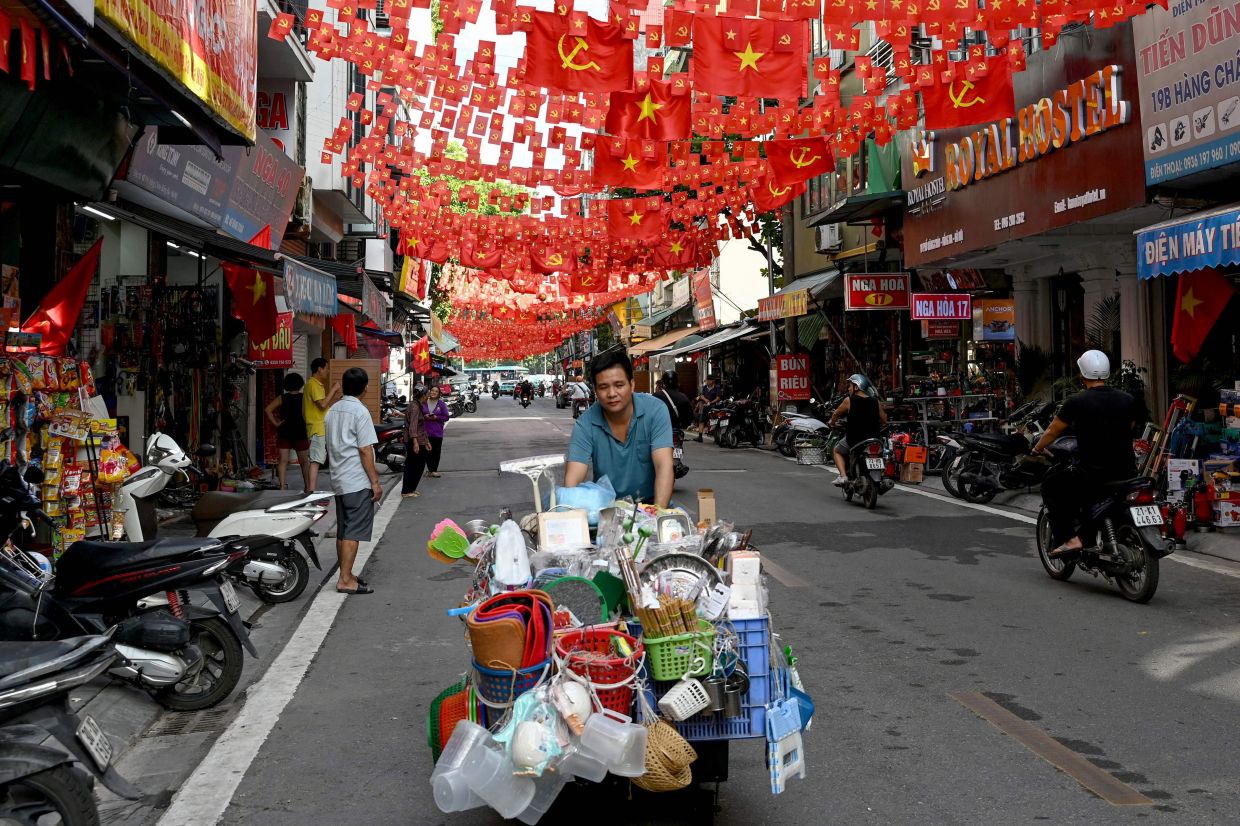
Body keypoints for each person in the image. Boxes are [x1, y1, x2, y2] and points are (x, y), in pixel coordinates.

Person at [1033, 350, 1141, 558]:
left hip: (1092, 473)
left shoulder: (1077, 402)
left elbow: (1053, 431)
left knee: (1051, 486)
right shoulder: (1127, 399)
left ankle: (1071, 539)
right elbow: (1130, 426)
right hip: (1127, 470)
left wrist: (1037, 448)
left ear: (1082, 375)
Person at [564, 351, 674, 507]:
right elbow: (572, 480)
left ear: (632, 384)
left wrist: (656, 516)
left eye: (619, 385)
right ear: (595, 390)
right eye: (603, 387)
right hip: (607, 510)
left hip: (652, 505)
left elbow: (664, 466)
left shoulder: (655, 410)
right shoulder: (585, 424)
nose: (612, 394)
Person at [324, 367, 381, 595]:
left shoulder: (332, 411)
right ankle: (345, 579)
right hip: (356, 479)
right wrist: (375, 482)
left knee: (344, 530)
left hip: (338, 478)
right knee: (353, 532)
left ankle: (346, 574)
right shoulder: (360, 412)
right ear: (365, 388)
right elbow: (365, 449)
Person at [829, 373, 887, 487]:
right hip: (874, 439)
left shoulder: (849, 400)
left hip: (855, 440)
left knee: (836, 451)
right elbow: (884, 420)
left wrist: (832, 422)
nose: (849, 388)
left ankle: (843, 476)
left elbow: (836, 413)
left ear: (857, 386)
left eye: (850, 386)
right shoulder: (875, 401)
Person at [264, 372, 310, 491]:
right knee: (304, 462)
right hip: (301, 431)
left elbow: (268, 409)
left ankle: (282, 487)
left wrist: (276, 423)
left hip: (285, 431)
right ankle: (307, 487)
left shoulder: (282, 398)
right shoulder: (304, 397)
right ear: (300, 384)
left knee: (283, 461)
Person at [303, 358, 342, 493]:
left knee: (316, 460)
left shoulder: (314, 384)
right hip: (317, 428)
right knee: (315, 462)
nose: (328, 371)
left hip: (317, 427)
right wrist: (334, 390)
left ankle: (310, 491)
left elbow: (324, 406)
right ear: (319, 369)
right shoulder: (314, 384)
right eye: (326, 368)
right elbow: (323, 404)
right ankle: (311, 493)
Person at [401, 385, 433, 498]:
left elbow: (421, 427)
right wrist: (415, 443)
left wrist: (427, 441)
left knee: (418, 465)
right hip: (414, 441)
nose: (428, 397)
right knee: (413, 465)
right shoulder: (414, 407)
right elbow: (413, 427)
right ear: (423, 395)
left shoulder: (418, 406)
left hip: (420, 439)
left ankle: (411, 489)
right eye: (427, 395)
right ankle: (406, 490)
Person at [423, 384, 450, 478]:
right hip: (425, 432)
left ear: (439, 394)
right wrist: (425, 417)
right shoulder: (424, 402)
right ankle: (428, 469)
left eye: (436, 391)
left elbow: (446, 417)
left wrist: (436, 417)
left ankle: (433, 470)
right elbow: (418, 415)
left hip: (437, 432)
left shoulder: (441, 404)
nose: (433, 392)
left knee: (436, 451)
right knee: (426, 451)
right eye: (432, 390)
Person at [693, 375, 722, 442]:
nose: (708, 381)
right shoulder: (705, 387)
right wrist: (706, 400)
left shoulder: (717, 387)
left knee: (715, 421)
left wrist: (711, 402)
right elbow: (701, 395)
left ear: (713, 381)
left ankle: (717, 435)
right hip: (706, 406)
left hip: (714, 407)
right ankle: (700, 436)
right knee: (701, 420)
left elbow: (718, 398)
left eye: (709, 380)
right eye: (707, 380)